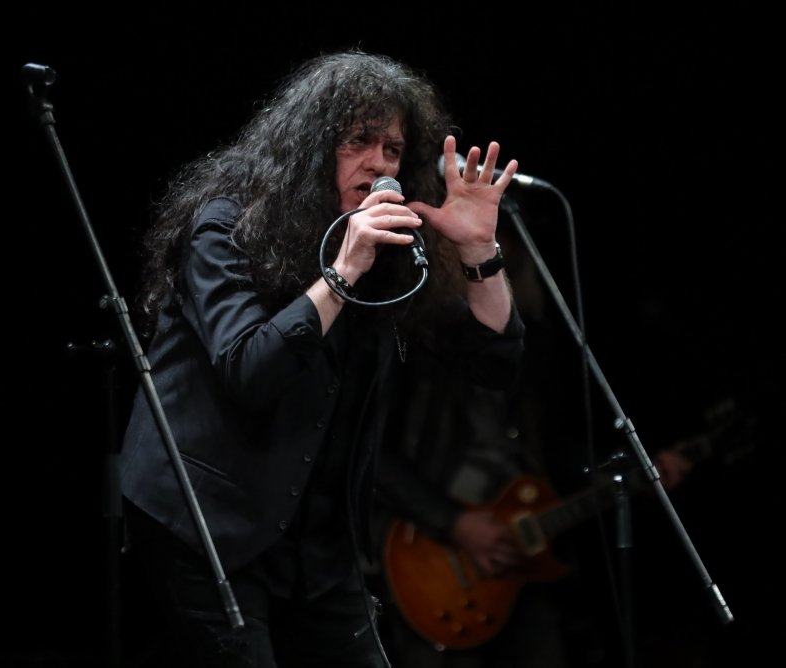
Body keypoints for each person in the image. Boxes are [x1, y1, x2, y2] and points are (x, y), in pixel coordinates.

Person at [117, 50, 526, 668]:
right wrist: (343, 270)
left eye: (392, 148)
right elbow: (251, 370)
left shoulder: (391, 255)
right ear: (312, 148)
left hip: (319, 540)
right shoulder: (226, 227)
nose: (379, 163)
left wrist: (478, 253)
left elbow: (496, 361)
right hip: (209, 521)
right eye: (358, 141)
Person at [368, 220, 704, 668]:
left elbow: (557, 450)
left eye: (497, 257)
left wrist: (633, 473)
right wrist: (452, 522)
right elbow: (375, 455)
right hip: (432, 554)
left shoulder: (537, 346)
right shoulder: (418, 342)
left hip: (522, 560)